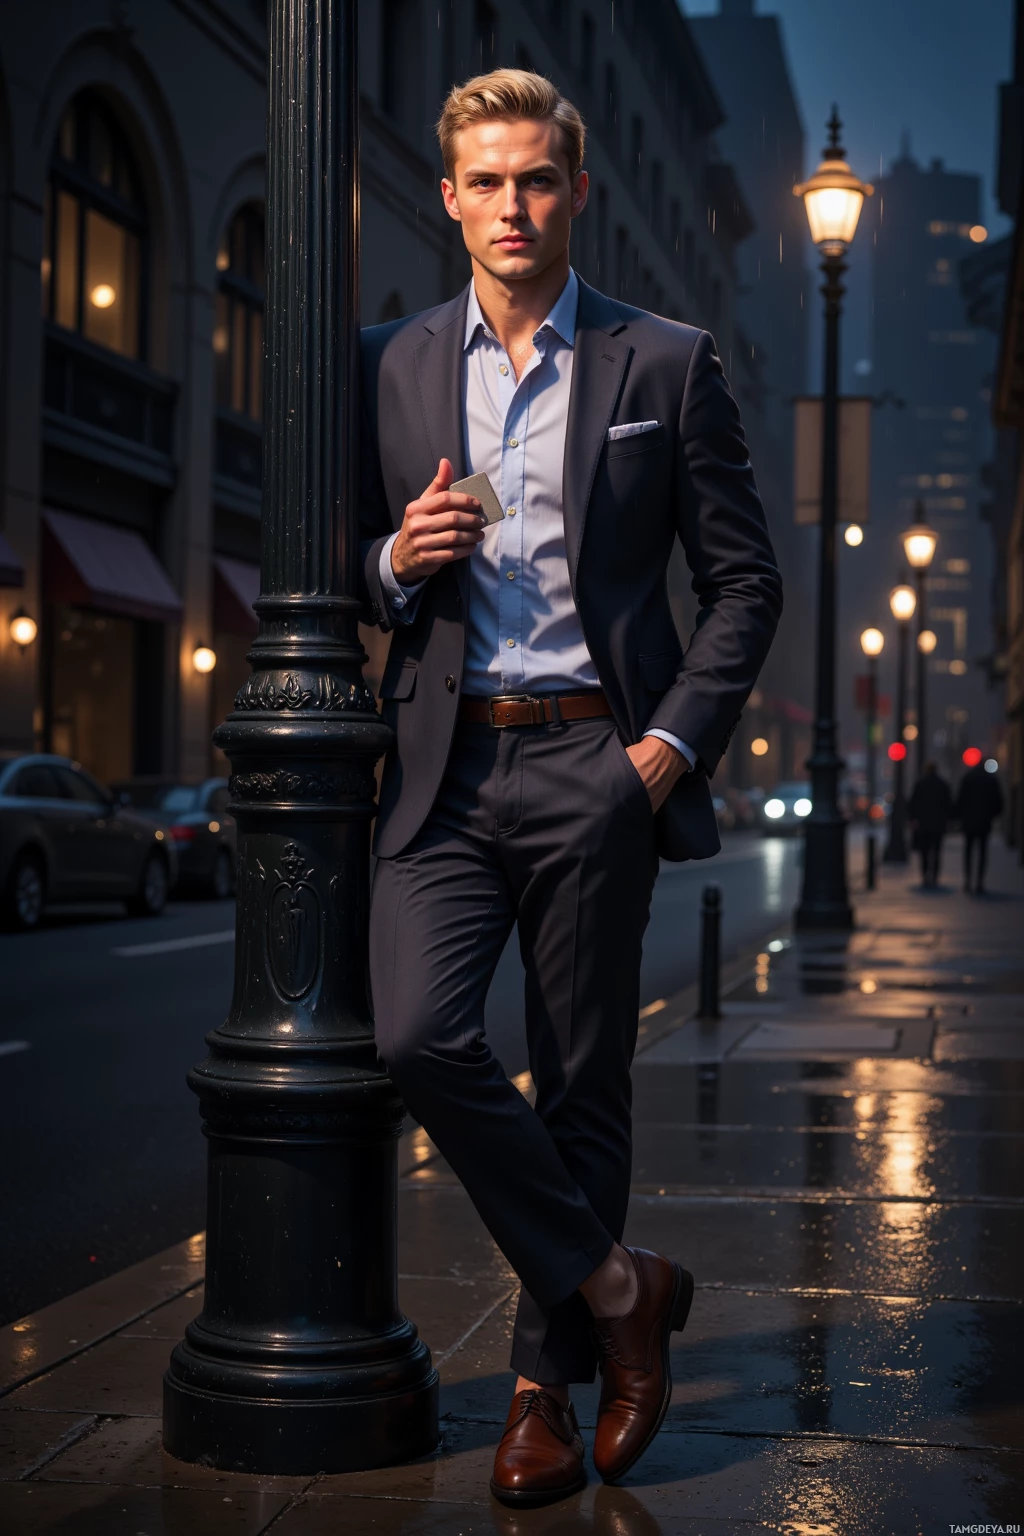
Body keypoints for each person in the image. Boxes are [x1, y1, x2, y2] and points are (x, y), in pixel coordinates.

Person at [358, 70, 782, 1506]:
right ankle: (620, 1288)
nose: (513, 207)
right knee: (418, 1032)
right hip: (447, 762)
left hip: (598, 756)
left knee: (584, 1081)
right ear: (449, 195)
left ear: (576, 190)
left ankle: (542, 1389)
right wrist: (388, 564)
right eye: (486, 181)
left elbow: (744, 585)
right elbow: (334, 561)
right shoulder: (394, 361)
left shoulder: (662, 362)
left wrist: (662, 752)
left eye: (537, 179)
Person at [955, 760, 1003, 893]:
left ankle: (968, 880)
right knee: (982, 851)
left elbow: (960, 799)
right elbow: (998, 801)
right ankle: (979, 881)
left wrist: (960, 816)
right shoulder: (991, 780)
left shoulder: (968, 778)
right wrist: (992, 815)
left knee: (968, 850)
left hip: (969, 821)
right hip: (984, 821)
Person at [907, 761, 952, 889]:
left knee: (924, 851)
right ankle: (935, 876)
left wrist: (913, 819)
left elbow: (913, 803)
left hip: (923, 823)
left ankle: (925, 874)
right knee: (937, 851)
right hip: (938, 823)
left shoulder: (920, 784)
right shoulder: (942, 784)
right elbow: (948, 804)